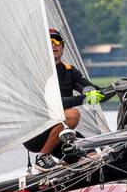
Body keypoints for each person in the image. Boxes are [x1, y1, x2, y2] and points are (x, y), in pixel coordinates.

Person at [24, 28, 105, 168]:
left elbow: (92, 90)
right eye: (50, 42)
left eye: (57, 41)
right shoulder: (38, 73)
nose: (54, 45)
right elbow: (54, 104)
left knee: (93, 158)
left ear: (62, 46)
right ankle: (43, 157)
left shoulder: (69, 70)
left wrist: (114, 88)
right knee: (73, 114)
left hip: (61, 132)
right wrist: (84, 98)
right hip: (36, 132)